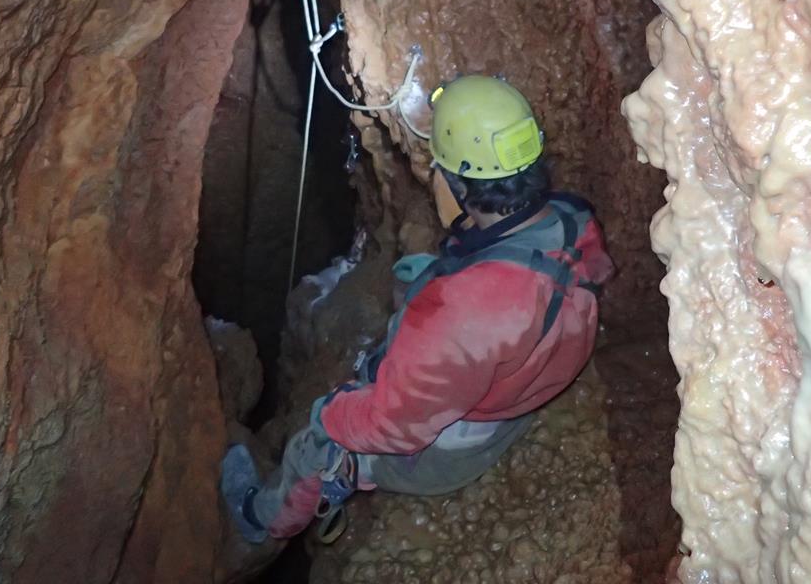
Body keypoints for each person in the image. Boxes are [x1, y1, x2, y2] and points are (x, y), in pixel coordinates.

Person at [220, 74, 615, 544]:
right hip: (525, 374)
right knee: (419, 275)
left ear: (457, 187)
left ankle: (259, 521)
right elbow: (522, 290)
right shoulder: (573, 217)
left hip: (453, 444)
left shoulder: (459, 311)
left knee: (317, 443)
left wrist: (331, 414)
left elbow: (395, 426)